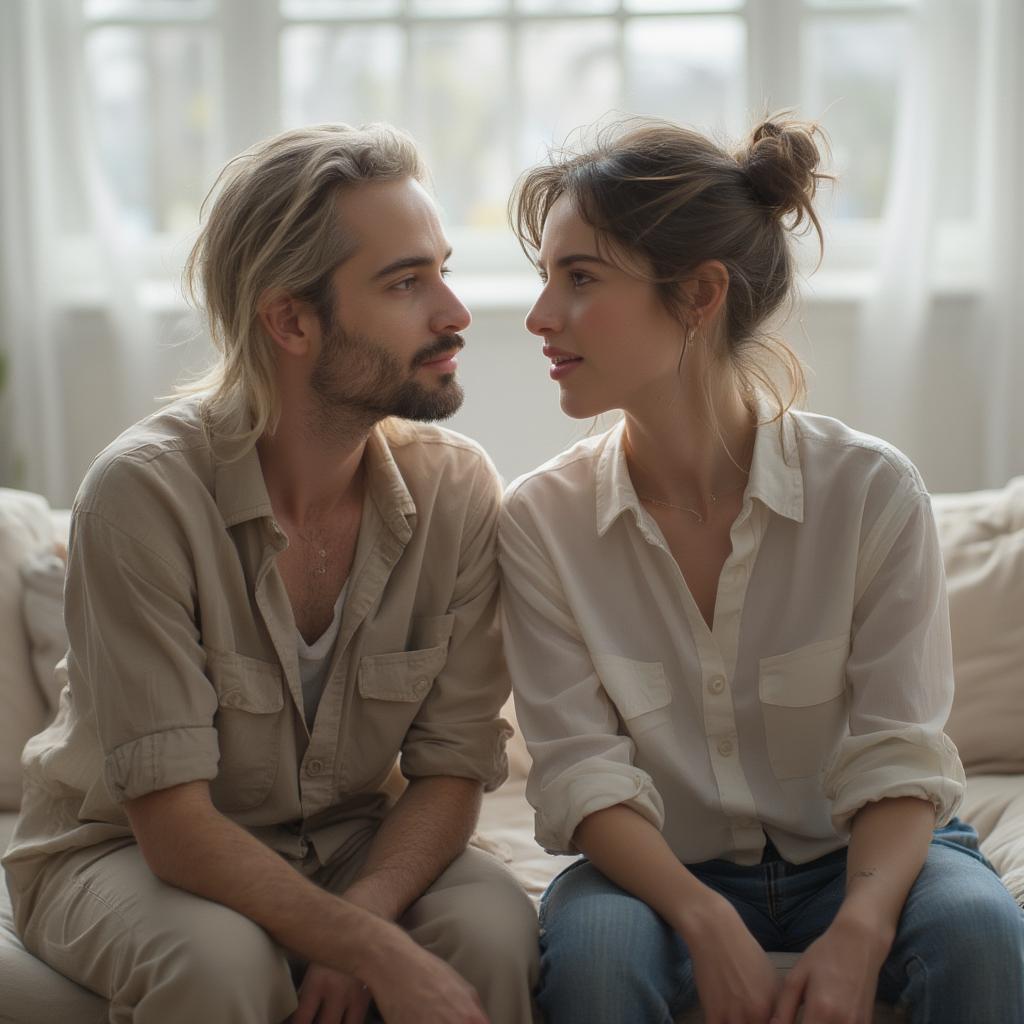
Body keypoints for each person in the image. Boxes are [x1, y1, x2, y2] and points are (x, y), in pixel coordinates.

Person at [2, 123, 538, 1024]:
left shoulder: (456, 489)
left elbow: (452, 768)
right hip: (118, 849)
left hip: (352, 840)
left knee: (491, 933)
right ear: (291, 320)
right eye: (407, 282)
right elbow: (172, 827)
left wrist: (361, 914)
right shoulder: (142, 496)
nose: (455, 312)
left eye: (442, 269)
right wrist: (361, 945)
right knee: (219, 964)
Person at [499, 115, 1024, 1024]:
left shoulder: (870, 490)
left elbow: (899, 753)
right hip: (656, 868)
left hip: (865, 850)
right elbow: (581, 772)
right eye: (545, 278)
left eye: (579, 278)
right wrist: (703, 919)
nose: (542, 316)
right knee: (594, 960)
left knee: (980, 933)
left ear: (700, 294)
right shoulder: (541, 521)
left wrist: (861, 930)